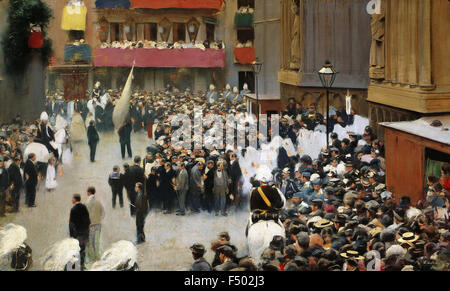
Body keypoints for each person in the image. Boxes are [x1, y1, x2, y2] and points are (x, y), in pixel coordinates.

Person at [69, 193, 90, 269]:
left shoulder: (73, 209)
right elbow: (88, 220)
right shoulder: (84, 207)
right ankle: (82, 264)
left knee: (76, 249)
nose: (71, 200)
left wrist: (72, 235)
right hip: (85, 232)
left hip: (77, 233)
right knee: (83, 249)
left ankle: (76, 266)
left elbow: (71, 223)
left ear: (75, 199)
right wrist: (87, 231)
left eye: (72, 198)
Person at [86, 187, 105, 263]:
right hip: (98, 224)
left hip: (91, 225)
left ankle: (93, 258)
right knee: (97, 241)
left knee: (91, 241)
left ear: (89, 192)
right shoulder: (98, 202)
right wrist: (99, 219)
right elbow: (103, 213)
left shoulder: (87, 203)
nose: (86, 193)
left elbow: (85, 215)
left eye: (87, 192)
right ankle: (97, 257)